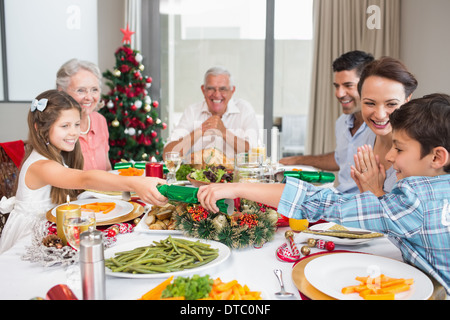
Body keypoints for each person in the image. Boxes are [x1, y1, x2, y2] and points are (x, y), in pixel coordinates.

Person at [197, 93, 450, 294]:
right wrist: (377, 193)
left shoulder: (413, 199)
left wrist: (237, 187)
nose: (390, 156)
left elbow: (321, 203)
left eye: (399, 148)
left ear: (437, 156)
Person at [0, 90, 168, 254]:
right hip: (31, 235)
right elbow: (85, 179)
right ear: (39, 129)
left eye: (76, 124)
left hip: (54, 227)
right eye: (65, 126)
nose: (74, 132)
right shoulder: (41, 166)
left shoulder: (57, 155)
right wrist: (136, 183)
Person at [280, 50, 375, 194]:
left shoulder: (380, 128)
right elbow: (340, 159)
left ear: (367, 85)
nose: (339, 93)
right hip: (340, 197)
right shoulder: (342, 122)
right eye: (337, 86)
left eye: (348, 85)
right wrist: (298, 160)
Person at [163, 66, 259, 165]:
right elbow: (168, 155)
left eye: (223, 89)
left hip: (235, 178)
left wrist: (224, 132)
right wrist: (199, 131)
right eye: (211, 89)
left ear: (232, 91)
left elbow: (254, 154)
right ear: (203, 90)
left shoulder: (244, 110)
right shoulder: (192, 111)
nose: (217, 95)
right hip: (196, 178)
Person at [352, 57, 418, 194]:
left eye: (391, 104)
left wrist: (376, 191)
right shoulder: (365, 136)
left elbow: (412, 214)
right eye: (370, 103)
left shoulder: (419, 151)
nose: (380, 115)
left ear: (407, 100)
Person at [56, 58, 112, 171]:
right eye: (81, 90)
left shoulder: (100, 120)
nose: (89, 97)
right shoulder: (56, 126)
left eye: (94, 90)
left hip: (103, 188)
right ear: (61, 92)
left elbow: (107, 167)